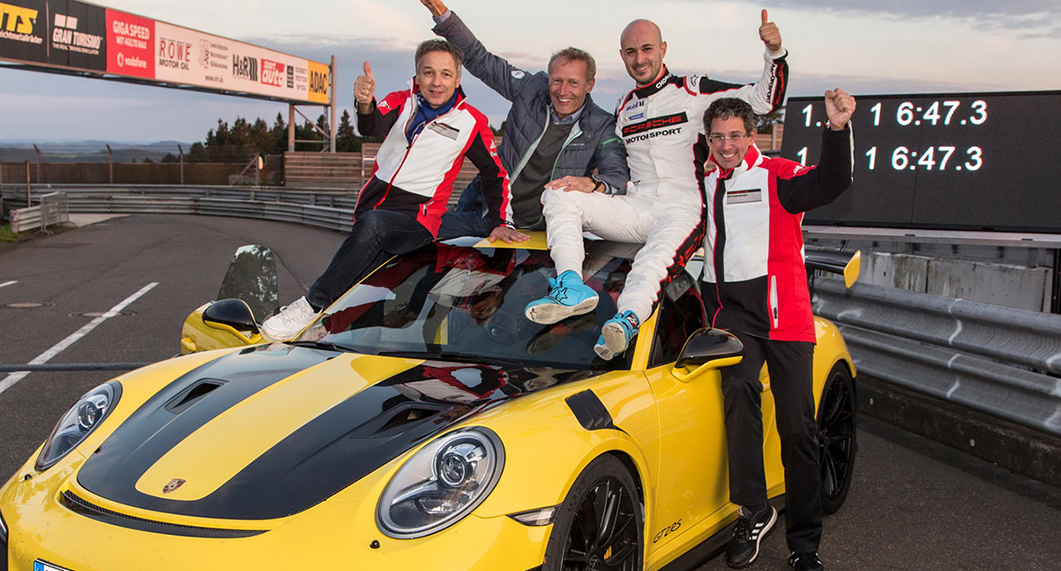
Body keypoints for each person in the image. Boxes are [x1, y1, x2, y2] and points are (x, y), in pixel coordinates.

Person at [527, 12, 789, 360]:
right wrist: (592, 184)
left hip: (683, 208)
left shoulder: (693, 90)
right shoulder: (624, 107)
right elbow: (612, 165)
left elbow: (763, 101)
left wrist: (775, 53)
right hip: (637, 205)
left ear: (663, 49)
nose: (640, 59)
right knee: (558, 193)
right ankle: (572, 287)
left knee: (651, 265)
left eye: (647, 49)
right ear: (622, 56)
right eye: (631, 52)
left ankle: (627, 320)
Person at [262, 39, 517, 341]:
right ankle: (328, 330)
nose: (437, 82)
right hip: (373, 204)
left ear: (458, 79)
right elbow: (372, 125)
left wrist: (502, 221)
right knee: (367, 287)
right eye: (429, 73)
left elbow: (495, 172)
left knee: (375, 227)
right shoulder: (401, 100)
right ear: (417, 75)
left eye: (446, 74)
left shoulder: (471, 121)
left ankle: (311, 305)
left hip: (419, 219)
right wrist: (364, 102)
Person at [699, 92, 855, 571]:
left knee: (797, 429)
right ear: (709, 139)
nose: (726, 146)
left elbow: (832, 182)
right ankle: (754, 509)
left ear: (752, 136)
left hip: (786, 316)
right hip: (735, 316)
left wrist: (836, 131)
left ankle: (804, 544)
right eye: (718, 136)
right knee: (739, 388)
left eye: (735, 136)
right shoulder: (702, 179)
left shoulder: (778, 176)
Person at [417, 0, 629, 240]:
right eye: (557, 80)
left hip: (534, 231)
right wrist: (445, 18)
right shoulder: (531, 89)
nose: (562, 90)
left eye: (573, 83)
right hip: (485, 211)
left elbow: (618, 176)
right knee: (425, 249)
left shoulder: (601, 125)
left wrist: (592, 184)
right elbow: (482, 61)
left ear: (589, 85)